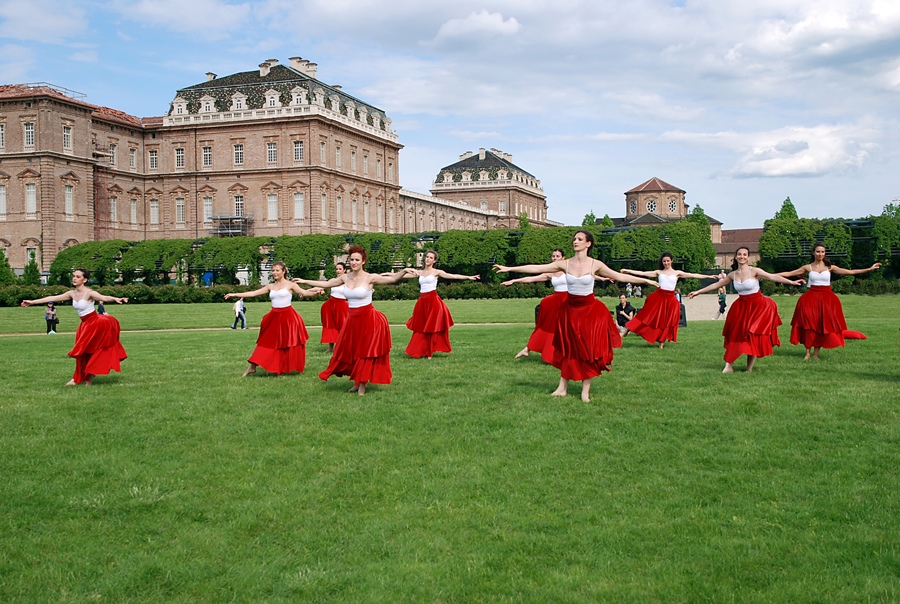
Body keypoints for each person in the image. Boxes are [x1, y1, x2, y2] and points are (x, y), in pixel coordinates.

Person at [494, 230, 657, 403]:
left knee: (588, 349)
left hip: (590, 312)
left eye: (580, 239)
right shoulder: (565, 264)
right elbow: (537, 268)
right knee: (568, 348)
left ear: (588, 244)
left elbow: (619, 276)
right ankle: (562, 388)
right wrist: (509, 269)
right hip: (570, 312)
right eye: (574, 239)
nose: (575, 241)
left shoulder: (595, 264)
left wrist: (646, 281)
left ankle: (585, 392)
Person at [294, 245, 408, 396]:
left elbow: (392, 279)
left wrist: (404, 271)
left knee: (365, 352)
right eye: (352, 259)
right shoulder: (345, 277)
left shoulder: (370, 277)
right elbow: (326, 284)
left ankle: (362, 384)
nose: (354, 262)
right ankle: (357, 381)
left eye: (357, 260)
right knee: (351, 351)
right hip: (351, 320)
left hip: (368, 319)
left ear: (363, 261)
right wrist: (304, 280)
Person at [688, 247, 804, 373]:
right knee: (737, 335)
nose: (742, 256)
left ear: (748, 257)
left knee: (752, 335)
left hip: (758, 307)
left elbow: (772, 277)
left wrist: (791, 283)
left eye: (744, 254)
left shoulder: (755, 271)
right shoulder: (732, 275)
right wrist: (698, 292)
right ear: (736, 257)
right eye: (739, 254)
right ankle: (729, 365)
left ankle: (749, 369)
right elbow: (716, 285)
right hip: (741, 307)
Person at [21, 268, 128, 386]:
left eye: (78, 276)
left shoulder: (89, 293)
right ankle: (78, 378)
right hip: (84, 325)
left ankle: (88, 379)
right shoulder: (71, 293)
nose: (74, 278)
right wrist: (32, 302)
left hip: (95, 323)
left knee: (91, 351)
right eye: (73, 276)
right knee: (82, 352)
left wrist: (115, 299)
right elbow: (52, 298)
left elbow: (104, 297)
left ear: (84, 280)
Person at [777, 243, 882, 360]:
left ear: (825, 253)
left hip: (827, 299)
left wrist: (869, 269)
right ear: (813, 253)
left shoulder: (830, 267)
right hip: (810, 299)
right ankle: (807, 353)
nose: (820, 254)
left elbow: (850, 272)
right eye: (818, 251)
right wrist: (768, 275)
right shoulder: (807, 267)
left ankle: (815, 354)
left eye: (822, 252)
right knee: (808, 325)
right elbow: (789, 273)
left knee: (821, 325)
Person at [224, 261, 323, 377]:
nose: (275, 273)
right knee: (265, 342)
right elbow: (254, 293)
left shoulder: (290, 285)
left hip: (288, 317)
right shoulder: (270, 286)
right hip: (274, 317)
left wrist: (316, 293)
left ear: (283, 271)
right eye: (273, 270)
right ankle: (252, 366)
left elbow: (304, 293)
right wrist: (235, 294)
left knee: (285, 344)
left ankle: (282, 367)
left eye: (277, 270)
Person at [621, 252, 722, 349]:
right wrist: (628, 271)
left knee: (666, 321)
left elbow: (693, 275)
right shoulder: (659, 272)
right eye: (664, 261)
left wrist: (709, 276)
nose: (666, 263)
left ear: (671, 261)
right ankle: (627, 330)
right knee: (644, 315)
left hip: (670, 300)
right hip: (659, 297)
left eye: (668, 261)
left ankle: (661, 343)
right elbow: (643, 273)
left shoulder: (677, 273)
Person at [401, 250, 480, 359]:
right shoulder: (419, 272)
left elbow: (453, 276)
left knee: (431, 327)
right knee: (421, 327)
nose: (428, 259)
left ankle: (429, 353)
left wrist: (468, 277)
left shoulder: (436, 272)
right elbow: (400, 276)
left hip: (433, 302)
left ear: (434, 261)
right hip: (422, 302)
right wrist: (383, 275)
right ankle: (421, 350)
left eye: (431, 258)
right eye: (427, 257)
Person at [501, 248, 567, 361]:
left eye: (557, 256)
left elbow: (587, 275)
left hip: (568, 301)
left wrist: (600, 277)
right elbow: (531, 278)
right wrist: (514, 281)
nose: (555, 258)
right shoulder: (550, 273)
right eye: (553, 256)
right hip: (556, 302)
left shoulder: (568, 269)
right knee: (548, 327)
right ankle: (528, 348)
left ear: (563, 258)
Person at [320, 261, 349, 353]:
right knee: (330, 325)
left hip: (341, 305)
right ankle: (330, 347)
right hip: (331, 304)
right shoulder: (333, 280)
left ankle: (343, 347)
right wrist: (320, 290)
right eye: (337, 269)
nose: (338, 271)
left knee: (342, 325)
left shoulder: (348, 281)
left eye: (340, 269)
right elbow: (322, 286)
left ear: (344, 270)